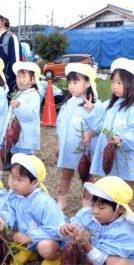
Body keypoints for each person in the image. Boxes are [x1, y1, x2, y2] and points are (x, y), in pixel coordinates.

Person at [0, 153, 65, 265]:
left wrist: (30, 237)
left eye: (20, 179)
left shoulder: (42, 202)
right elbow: (8, 211)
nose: (14, 183)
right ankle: (30, 251)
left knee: (44, 247)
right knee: (3, 231)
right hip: (26, 238)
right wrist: (3, 220)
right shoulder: (14, 195)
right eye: (13, 177)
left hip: (49, 239)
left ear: (35, 182)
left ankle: (57, 257)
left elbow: (56, 228)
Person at [56, 63, 103, 210]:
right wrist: (59, 143)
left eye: (76, 82)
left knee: (88, 177)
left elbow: (100, 126)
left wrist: (91, 112)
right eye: (69, 82)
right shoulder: (67, 103)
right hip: (68, 147)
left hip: (86, 149)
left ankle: (87, 205)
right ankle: (61, 201)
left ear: (88, 83)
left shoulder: (95, 104)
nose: (71, 86)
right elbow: (60, 125)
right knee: (66, 174)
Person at [60, 176, 134, 265]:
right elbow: (66, 237)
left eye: (101, 207)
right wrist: (66, 229)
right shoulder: (86, 215)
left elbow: (101, 261)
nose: (95, 211)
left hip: (104, 260)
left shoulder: (125, 232)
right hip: (90, 257)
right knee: (71, 247)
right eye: (93, 205)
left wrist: (86, 244)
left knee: (120, 263)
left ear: (120, 209)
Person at [90, 58, 134, 194]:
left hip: (128, 159)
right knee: (112, 188)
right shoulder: (109, 105)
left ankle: (129, 214)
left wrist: (122, 139)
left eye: (119, 82)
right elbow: (97, 125)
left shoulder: (132, 108)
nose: (115, 86)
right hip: (110, 156)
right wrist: (91, 110)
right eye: (113, 82)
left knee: (127, 190)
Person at [2, 61, 41, 157]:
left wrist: (20, 106)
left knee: (25, 163)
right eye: (18, 77)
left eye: (24, 77)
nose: (20, 80)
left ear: (33, 79)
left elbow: (31, 115)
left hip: (26, 138)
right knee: (15, 160)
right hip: (16, 136)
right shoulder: (18, 94)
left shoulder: (34, 95)